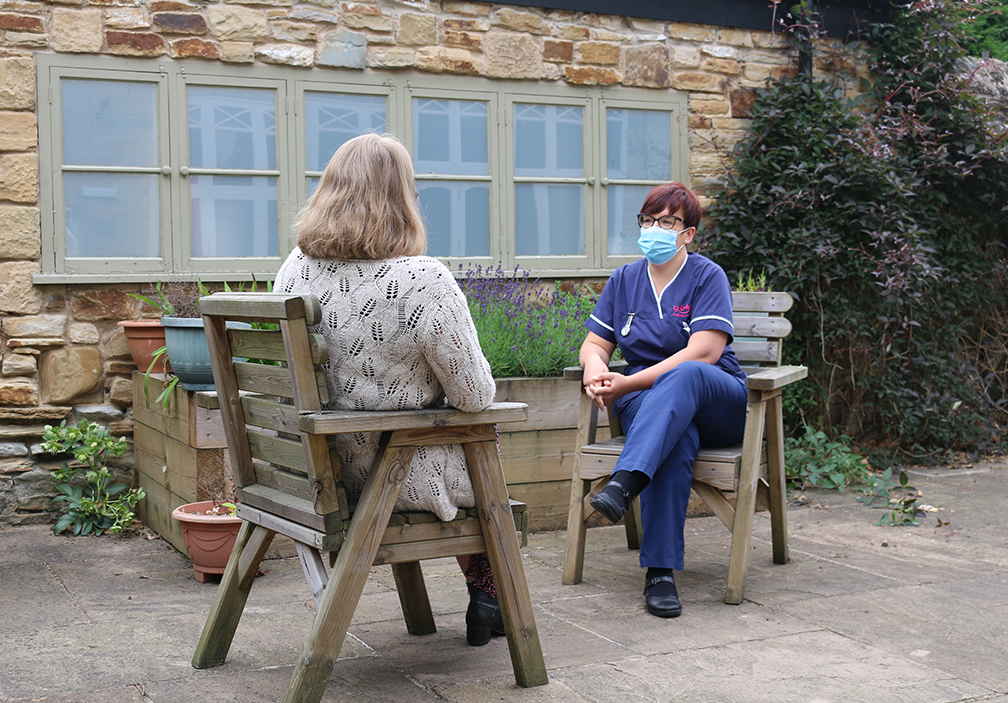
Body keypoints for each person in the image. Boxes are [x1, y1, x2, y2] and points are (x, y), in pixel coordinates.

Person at [274, 133, 504, 646]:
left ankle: (488, 600)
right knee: (480, 443)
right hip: (393, 474)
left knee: (460, 447)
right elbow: (474, 396)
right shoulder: (421, 279)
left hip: (316, 472)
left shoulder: (292, 271)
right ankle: (489, 593)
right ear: (402, 200)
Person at [580, 182, 747, 618]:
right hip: (652, 407)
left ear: (688, 233)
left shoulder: (707, 276)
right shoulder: (624, 280)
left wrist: (627, 384)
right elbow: (595, 343)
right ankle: (660, 573)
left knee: (687, 371)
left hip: (716, 398)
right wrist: (595, 368)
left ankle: (625, 481)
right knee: (676, 439)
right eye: (648, 220)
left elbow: (706, 351)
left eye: (667, 221)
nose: (654, 228)